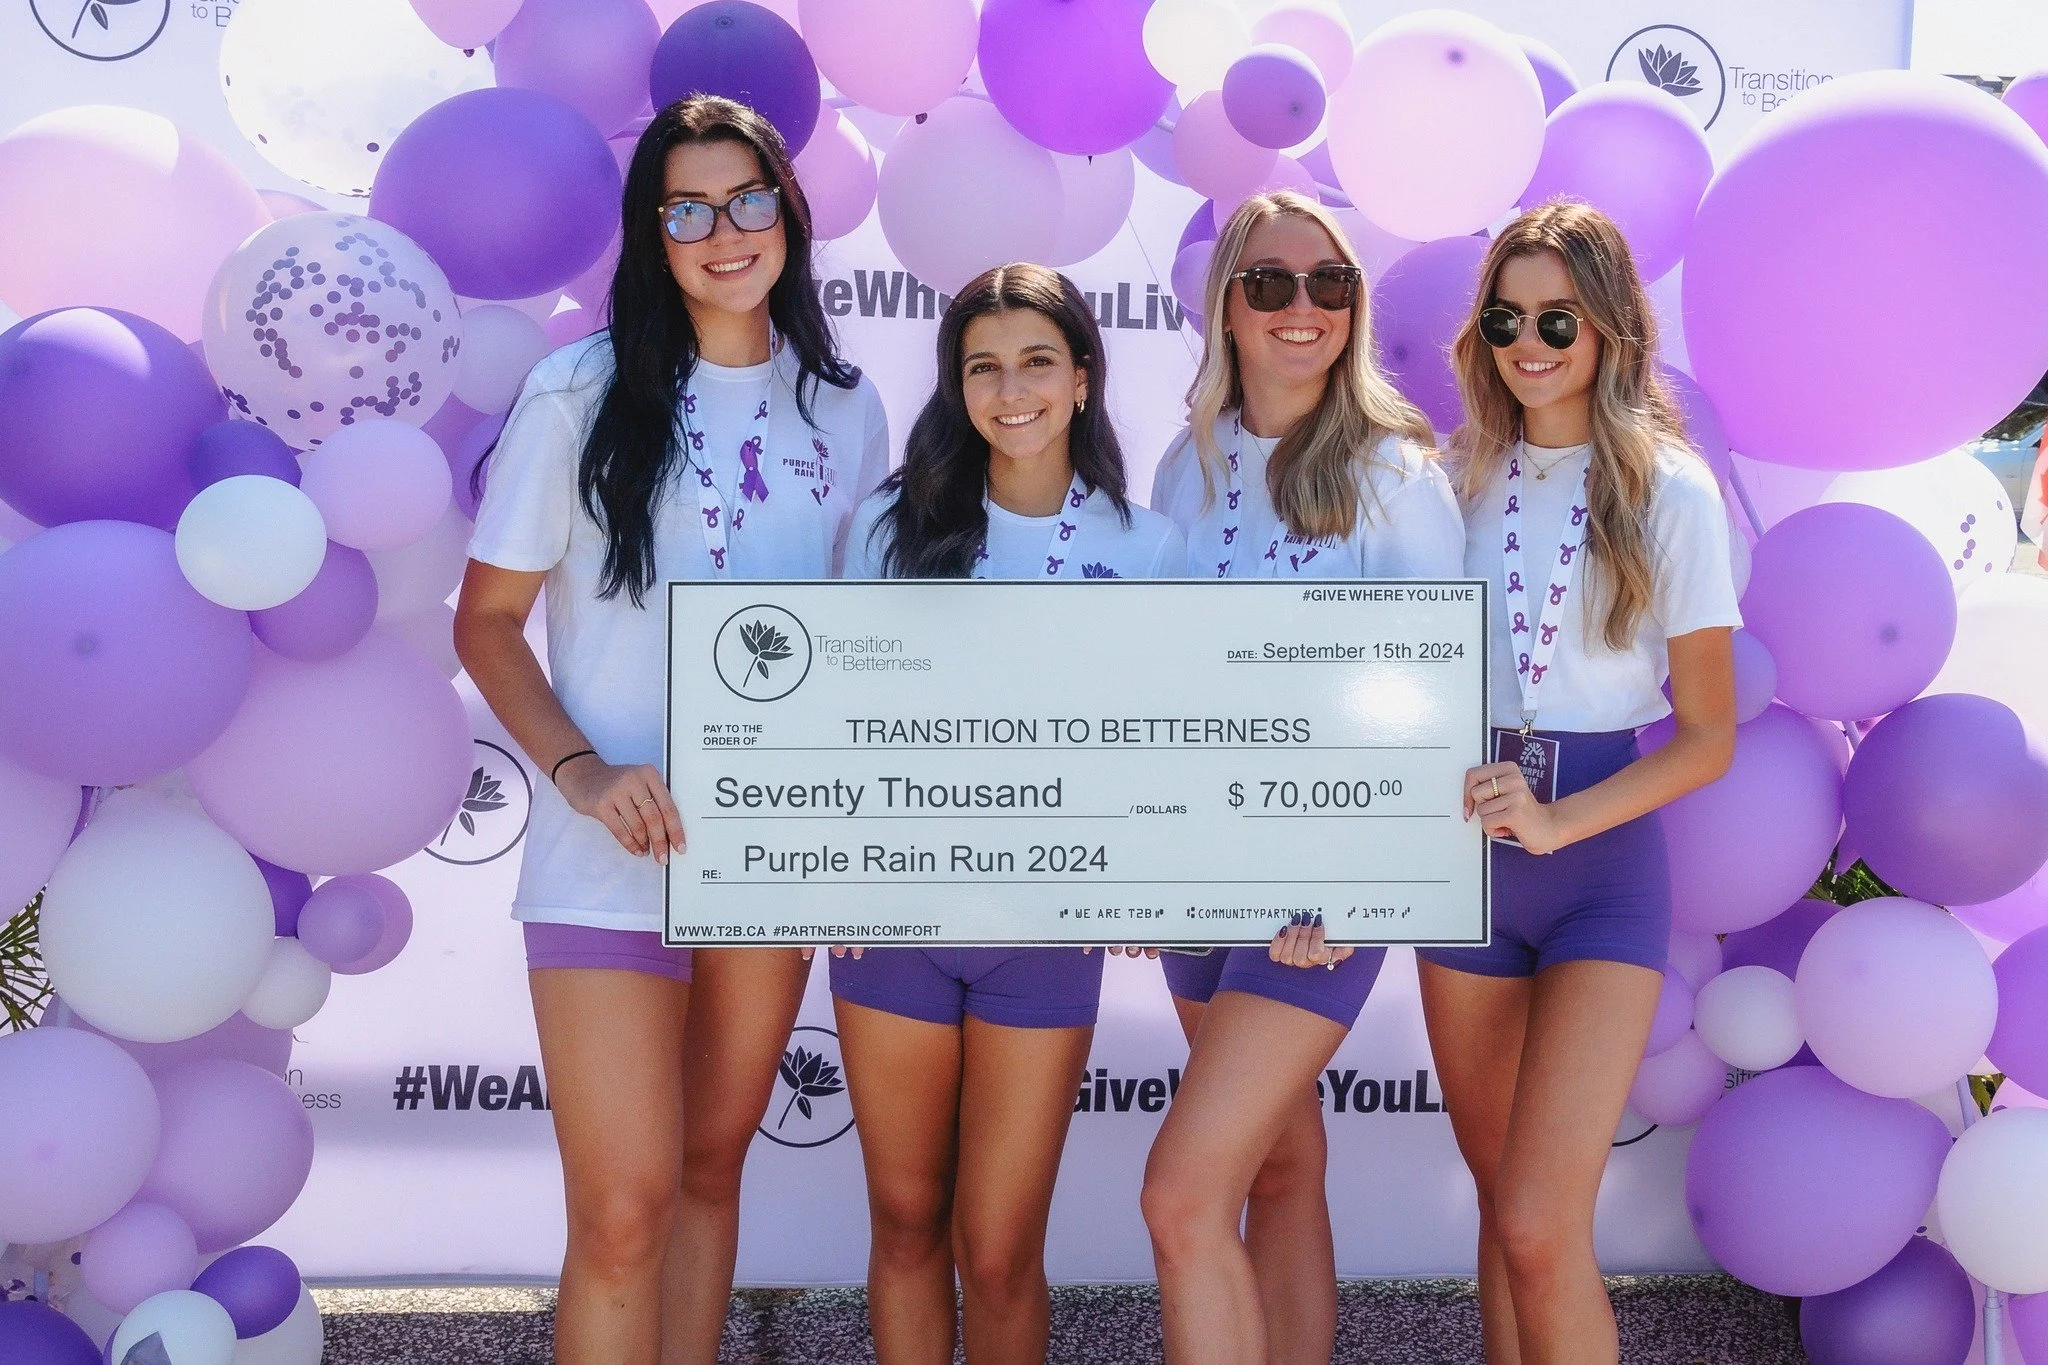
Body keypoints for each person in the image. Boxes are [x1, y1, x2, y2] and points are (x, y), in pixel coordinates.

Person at [454, 95, 889, 1365]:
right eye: (686, 209)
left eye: (746, 198)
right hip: (609, 863)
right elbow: (486, 625)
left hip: (766, 868)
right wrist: (584, 774)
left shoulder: (844, 405)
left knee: (707, 1178)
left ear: (787, 215)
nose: (722, 230)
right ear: (653, 235)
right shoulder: (575, 392)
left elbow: (858, 648)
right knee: (624, 1210)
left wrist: (849, 843)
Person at [832, 262, 1184, 1365]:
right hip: (895, 925)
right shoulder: (891, 526)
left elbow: (1167, 739)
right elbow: (840, 719)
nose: (1010, 388)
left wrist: (1145, 869)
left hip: (1044, 937)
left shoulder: (1147, 547)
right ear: (956, 389)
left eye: (1036, 360)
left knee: (995, 1249)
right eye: (982, 367)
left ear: (1082, 377)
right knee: (902, 1228)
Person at [1140, 189, 1464, 1365]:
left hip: (1318, 898)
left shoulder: (1393, 474)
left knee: (1181, 1195)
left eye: (1329, 284)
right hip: (1197, 879)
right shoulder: (1188, 461)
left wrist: (1347, 884)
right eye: (1270, 283)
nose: (1301, 308)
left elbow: (1438, 708)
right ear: (1226, 303)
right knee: (1278, 1165)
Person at [1416, 199, 1739, 1365]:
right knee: (1504, 1213)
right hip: (1459, 861)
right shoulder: (1448, 478)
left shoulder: (1671, 491)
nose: (1528, 341)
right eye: (1505, 317)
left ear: (1607, 325)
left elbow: (1707, 736)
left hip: (1597, 865)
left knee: (1544, 1225)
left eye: (1556, 315)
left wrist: (1558, 822)